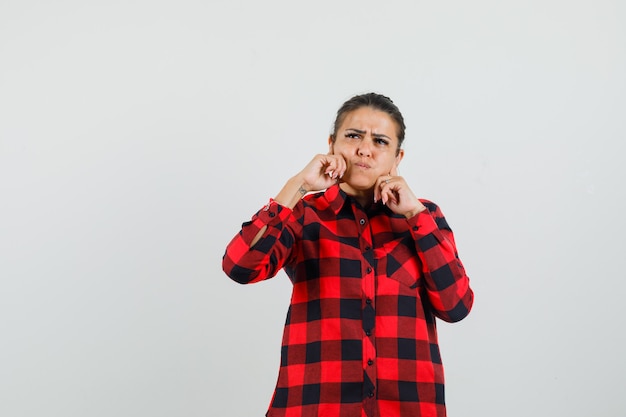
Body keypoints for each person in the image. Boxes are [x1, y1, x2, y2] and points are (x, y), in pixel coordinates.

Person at [222, 93, 474, 417]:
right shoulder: (303, 215)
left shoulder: (424, 218)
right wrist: (297, 185)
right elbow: (239, 266)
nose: (364, 149)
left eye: (379, 141)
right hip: (314, 407)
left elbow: (456, 306)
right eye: (353, 135)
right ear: (331, 144)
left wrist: (415, 214)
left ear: (398, 157)